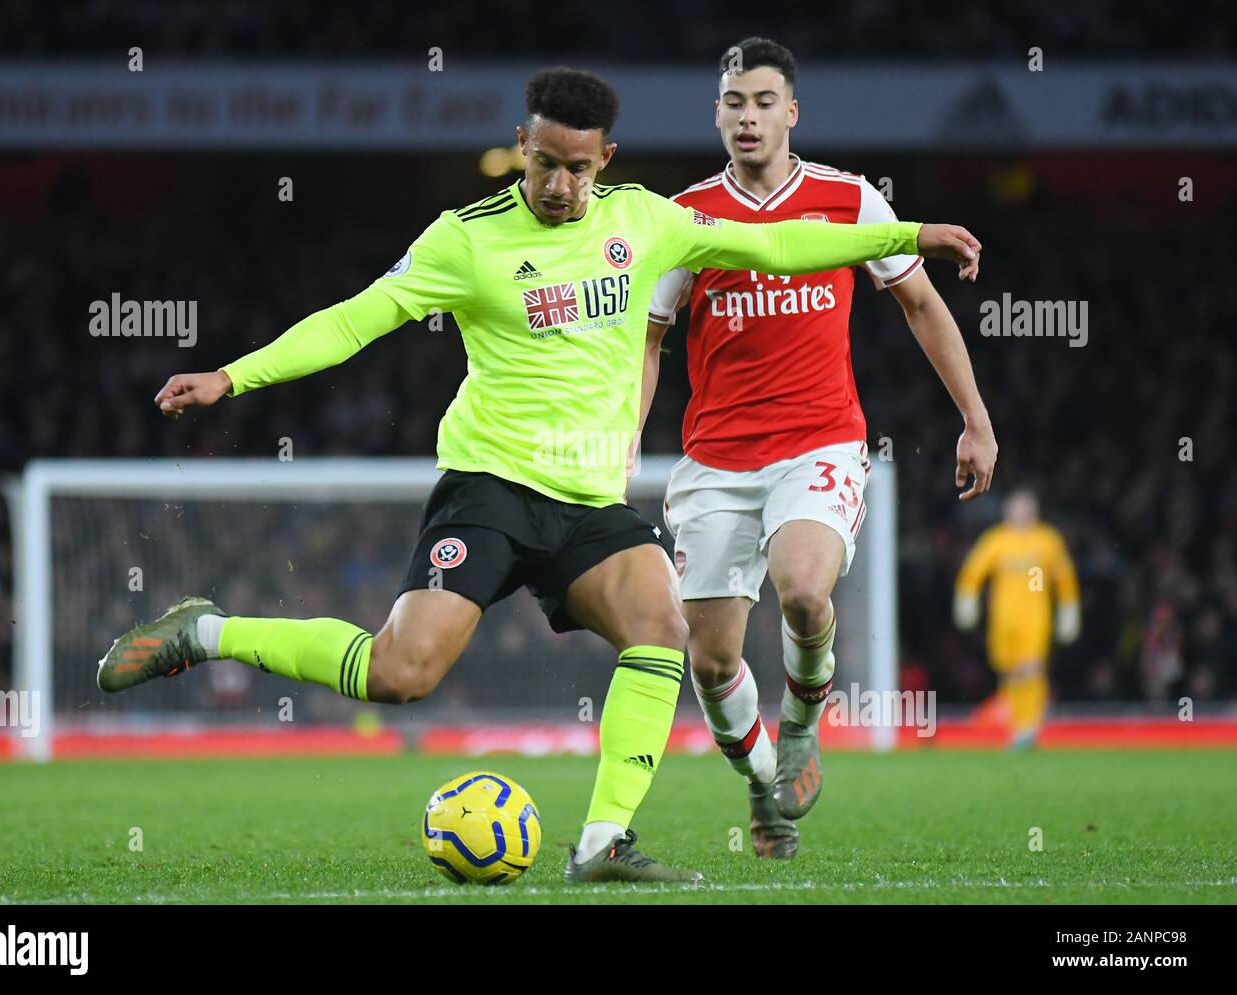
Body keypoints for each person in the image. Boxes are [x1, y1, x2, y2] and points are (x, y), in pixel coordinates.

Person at [97, 66, 983, 883]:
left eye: (577, 169)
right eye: (544, 163)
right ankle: (206, 632)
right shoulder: (463, 241)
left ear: (606, 160)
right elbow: (352, 320)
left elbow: (781, 247)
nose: (559, 186)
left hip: (588, 504)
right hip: (488, 491)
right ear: (523, 145)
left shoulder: (645, 220)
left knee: (660, 624)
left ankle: (602, 843)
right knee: (403, 673)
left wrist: (911, 234)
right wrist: (233, 375)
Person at [642, 38, 996, 858]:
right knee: (713, 655)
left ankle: (801, 723)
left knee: (803, 589)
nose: (748, 117)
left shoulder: (849, 200)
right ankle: (765, 781)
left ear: (791, 112)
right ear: (717, 114)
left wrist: (975, 417)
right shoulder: (684, 216)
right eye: (734, 102)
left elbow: (918, 303)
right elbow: (650, 339)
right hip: (715, 459)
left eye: (765, 101)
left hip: (819, 442)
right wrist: (620, 433)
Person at [954, 489, 1080, 748]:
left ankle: (1030, 725)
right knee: (1009, 672)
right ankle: (1018, 725)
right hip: (1003, 618)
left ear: (1034, 511)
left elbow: (1064, 577)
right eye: (1015, 508)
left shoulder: (1046, 540)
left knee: (1031, 667)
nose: (1020, 513)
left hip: (1035, 616)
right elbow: (973, 571)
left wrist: (1069, 609)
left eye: (1025, 508)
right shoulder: (997, 540)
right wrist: (966, 599)